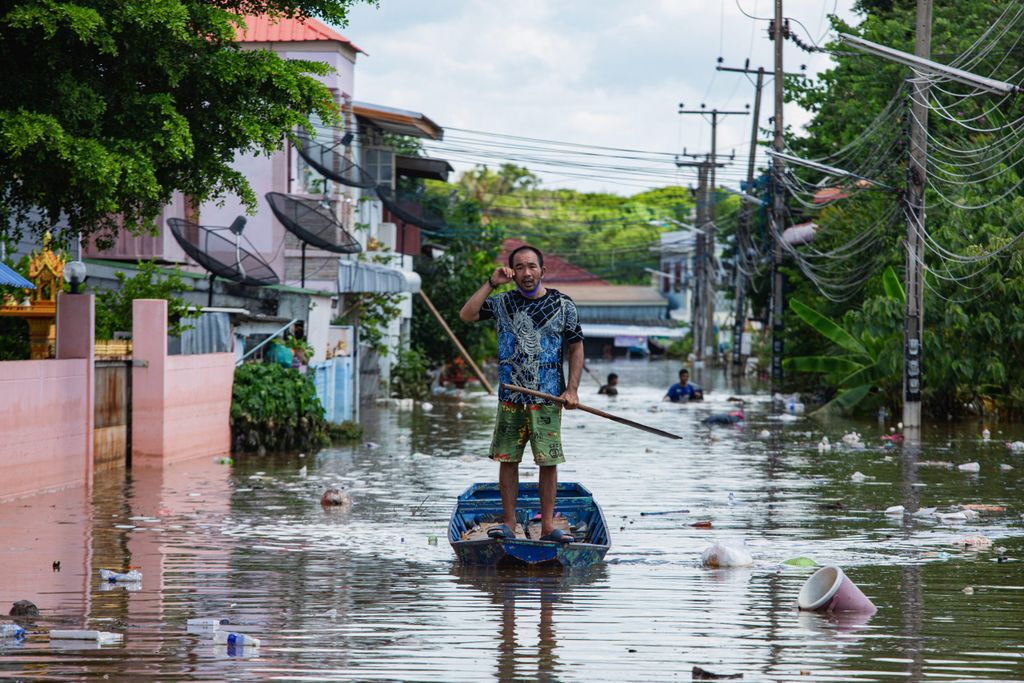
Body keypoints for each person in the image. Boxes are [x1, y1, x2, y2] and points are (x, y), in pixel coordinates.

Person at [459, 244, 584, 544]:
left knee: (548, 462)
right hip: (511, 398)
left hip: (548, 398)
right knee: (508, 459)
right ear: (512, 272)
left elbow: (576, 346)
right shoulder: (502, 302)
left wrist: (572, 390)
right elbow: (467, 314)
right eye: (520, 267)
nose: (527, 273)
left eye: (532, 267)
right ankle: (509, 523)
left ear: (543, 270)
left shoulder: (563, 305)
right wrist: (491, 283)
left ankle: (550, 526)